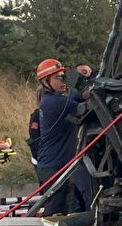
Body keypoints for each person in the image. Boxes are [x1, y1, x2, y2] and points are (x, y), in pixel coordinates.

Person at [34, 59, 92, 215]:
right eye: (58, 78)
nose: (63, 81)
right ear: (46, 82)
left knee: (69, 210)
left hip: (61, 165)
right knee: (54, 213)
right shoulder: (53, 102)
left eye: (63, 76)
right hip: (53, 167)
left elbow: (76, 97)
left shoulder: (57, 99)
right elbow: (84, 107)